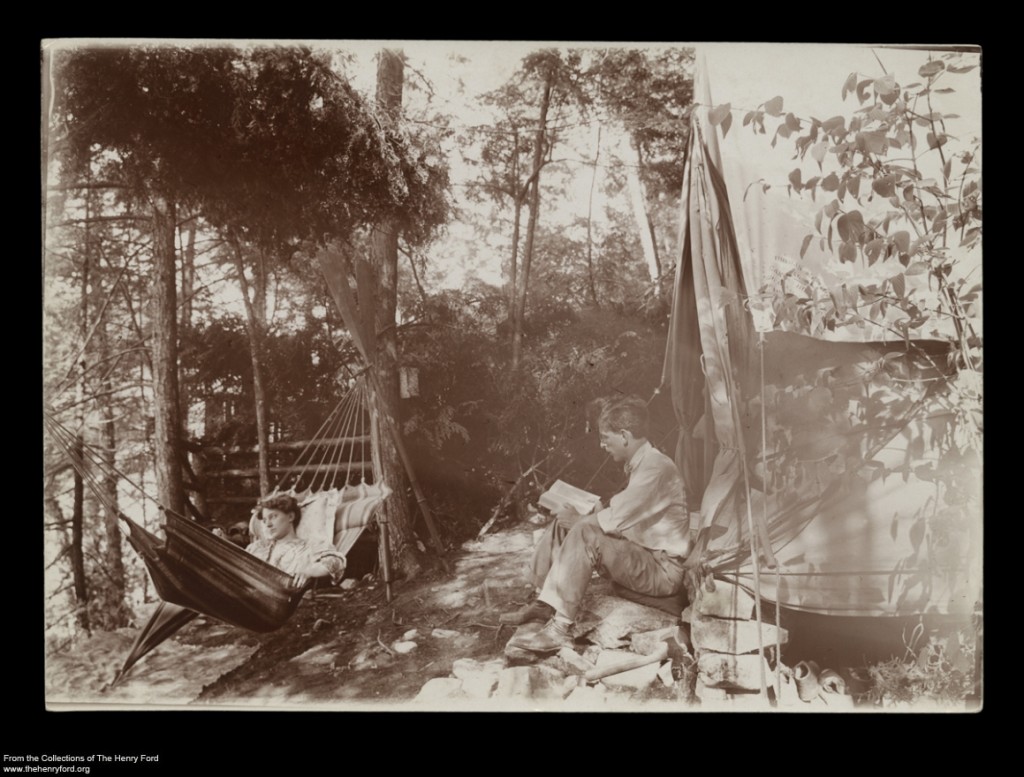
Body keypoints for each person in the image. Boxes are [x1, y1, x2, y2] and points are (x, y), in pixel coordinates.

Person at [502, 396, 691, 653]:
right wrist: (579, 515)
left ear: (624, 436)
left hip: (662, 570)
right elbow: (627, 512)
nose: (602, 445)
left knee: (583, 530)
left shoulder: (656, 467)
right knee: (565, 522)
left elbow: (615, 519)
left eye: (605, 437)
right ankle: (543, 603)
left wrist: (582, 520)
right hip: (645, 555)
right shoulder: (644, 464)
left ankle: (560, 628)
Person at [246, 493, 347, 589]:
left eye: (273, 517)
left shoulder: (309, 547)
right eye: (264, 520)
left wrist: (309, 571)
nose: (268, 524)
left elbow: (337, 562)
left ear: (291, 517)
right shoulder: (257, 547)